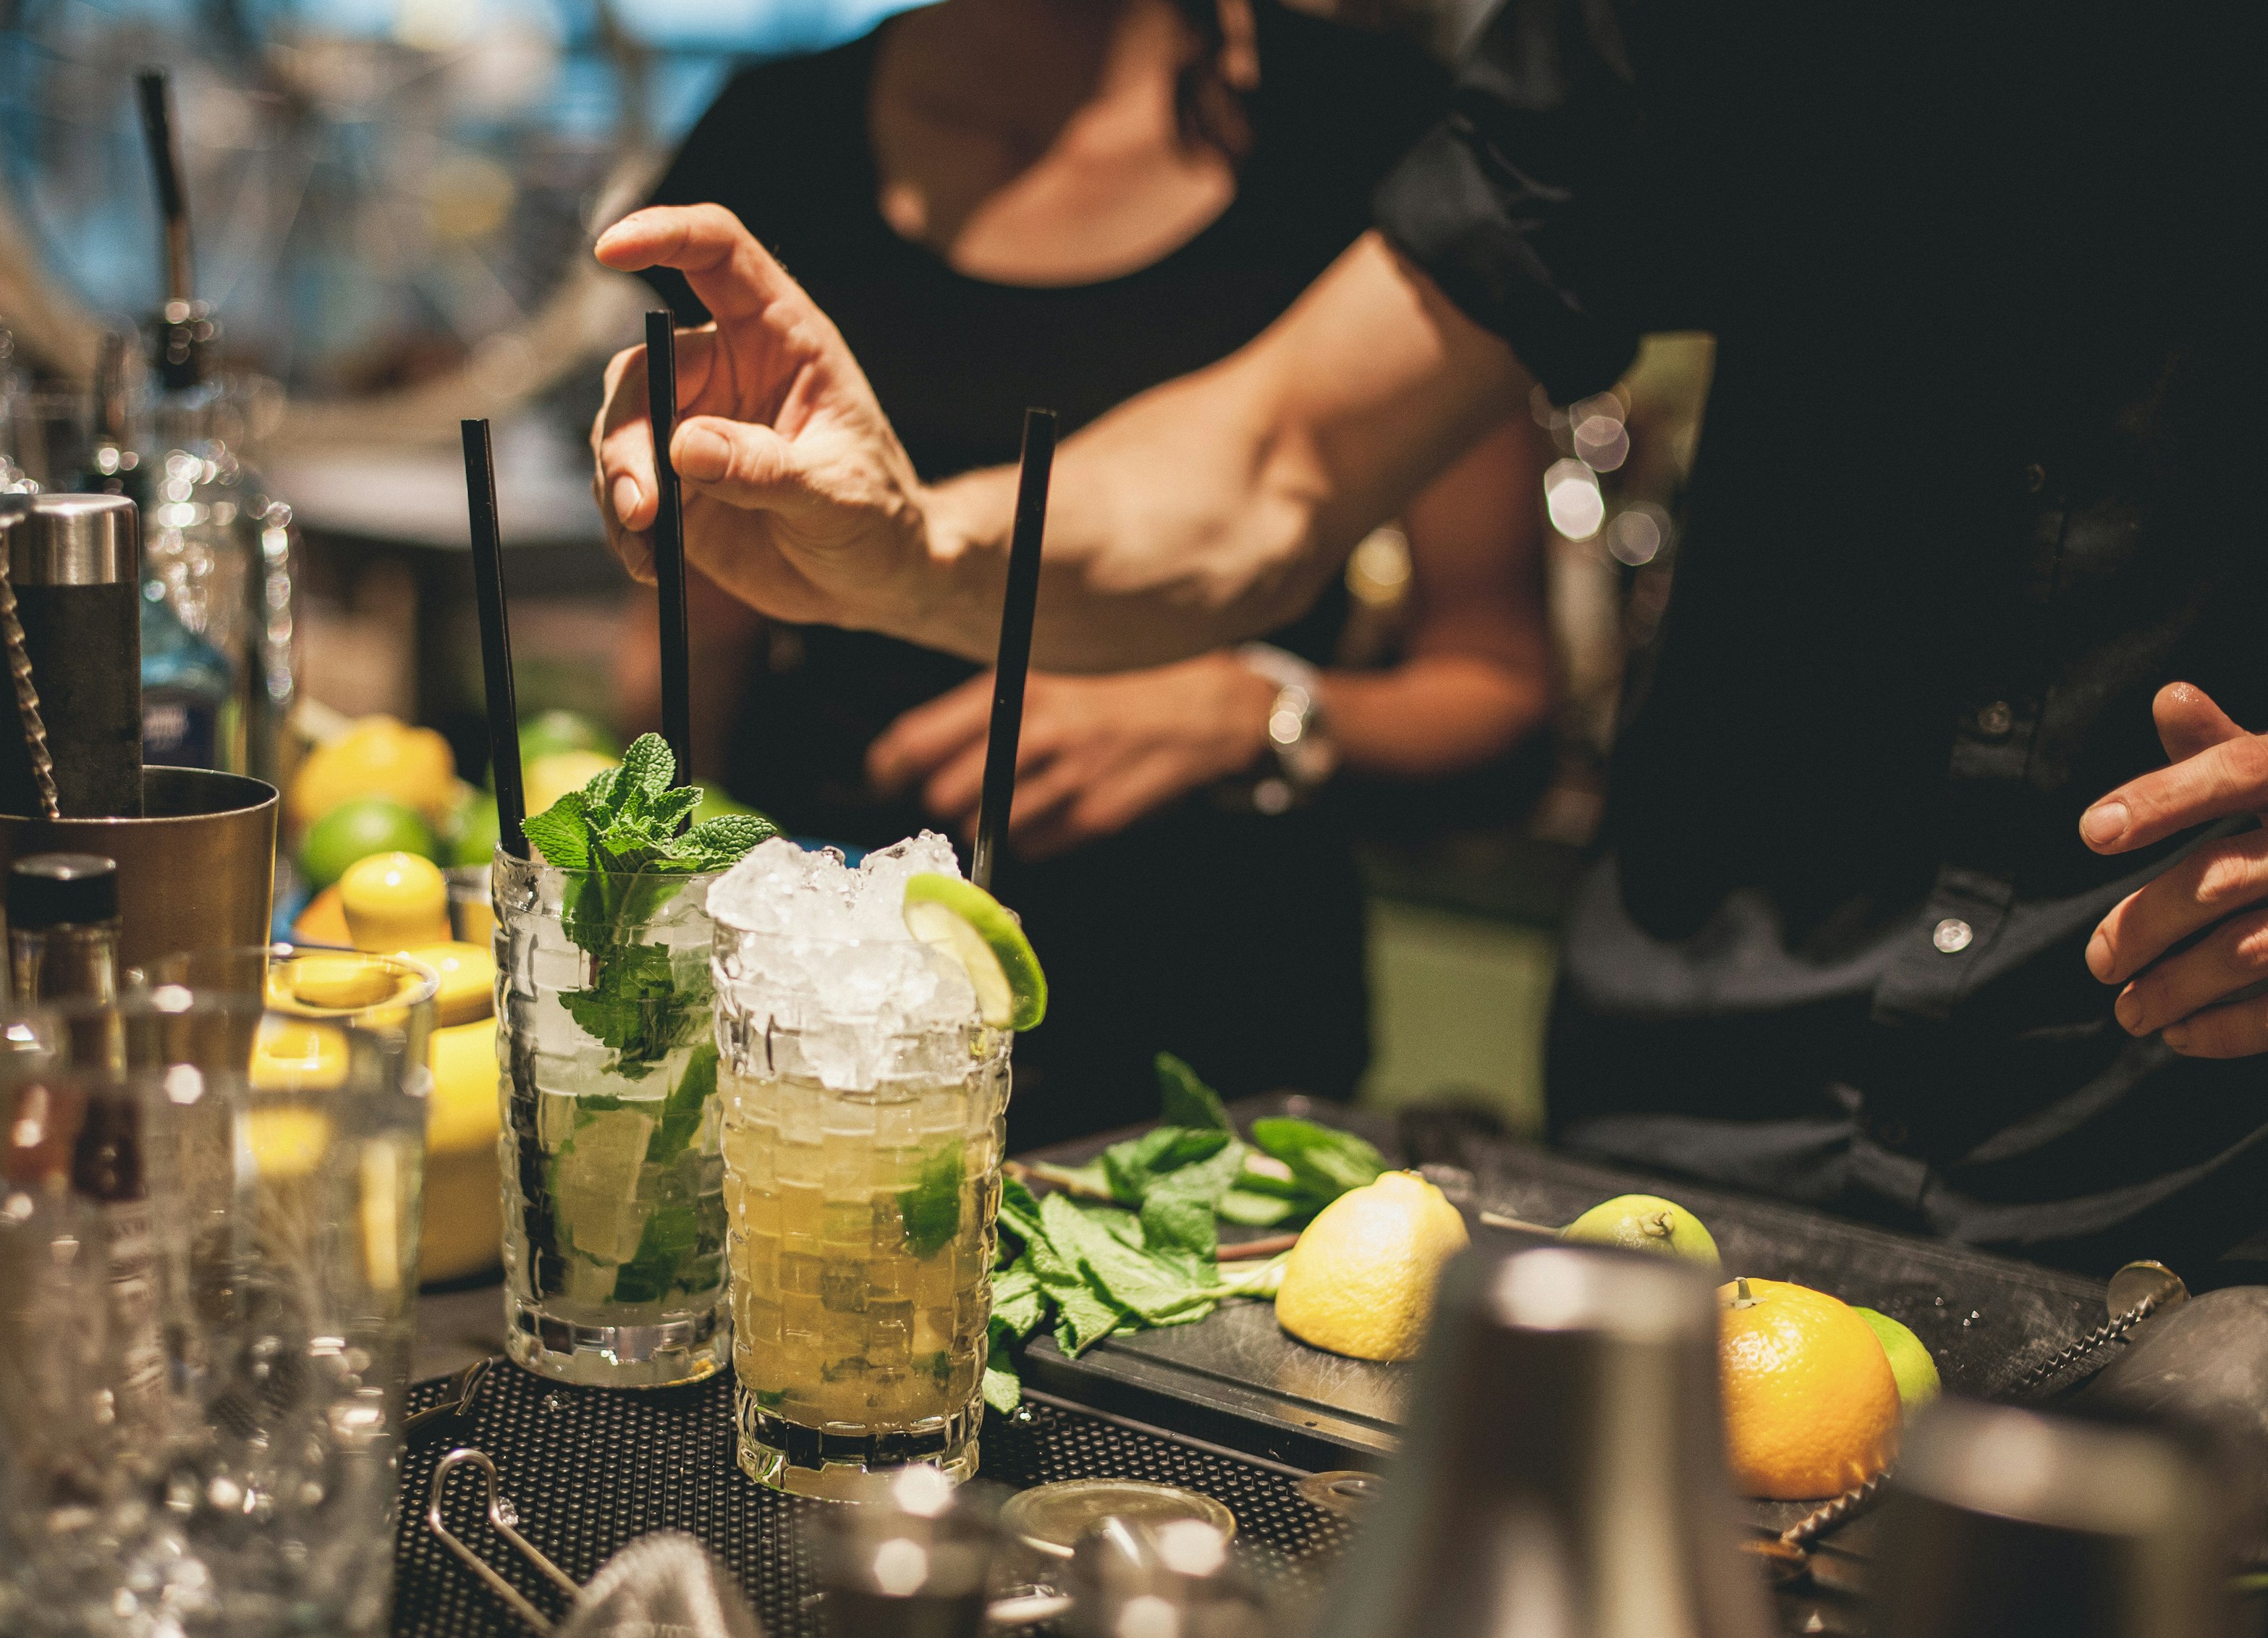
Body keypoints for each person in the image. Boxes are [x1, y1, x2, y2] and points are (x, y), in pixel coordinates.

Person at [590, 0, 2268, 1278]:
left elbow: (1493, 687)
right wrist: (908, 545)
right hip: (1691, 1115)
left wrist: (1259, 713)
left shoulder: (1330, 115)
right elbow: (1278, 457)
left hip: (2178, 1153)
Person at [614, 0, 1551, 1145]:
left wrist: (1238, 712)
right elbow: (688, 652)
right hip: (829, 1029)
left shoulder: (1379, 135)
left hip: (1216, 1052)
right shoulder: (775, 139)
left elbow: (1497, 692)